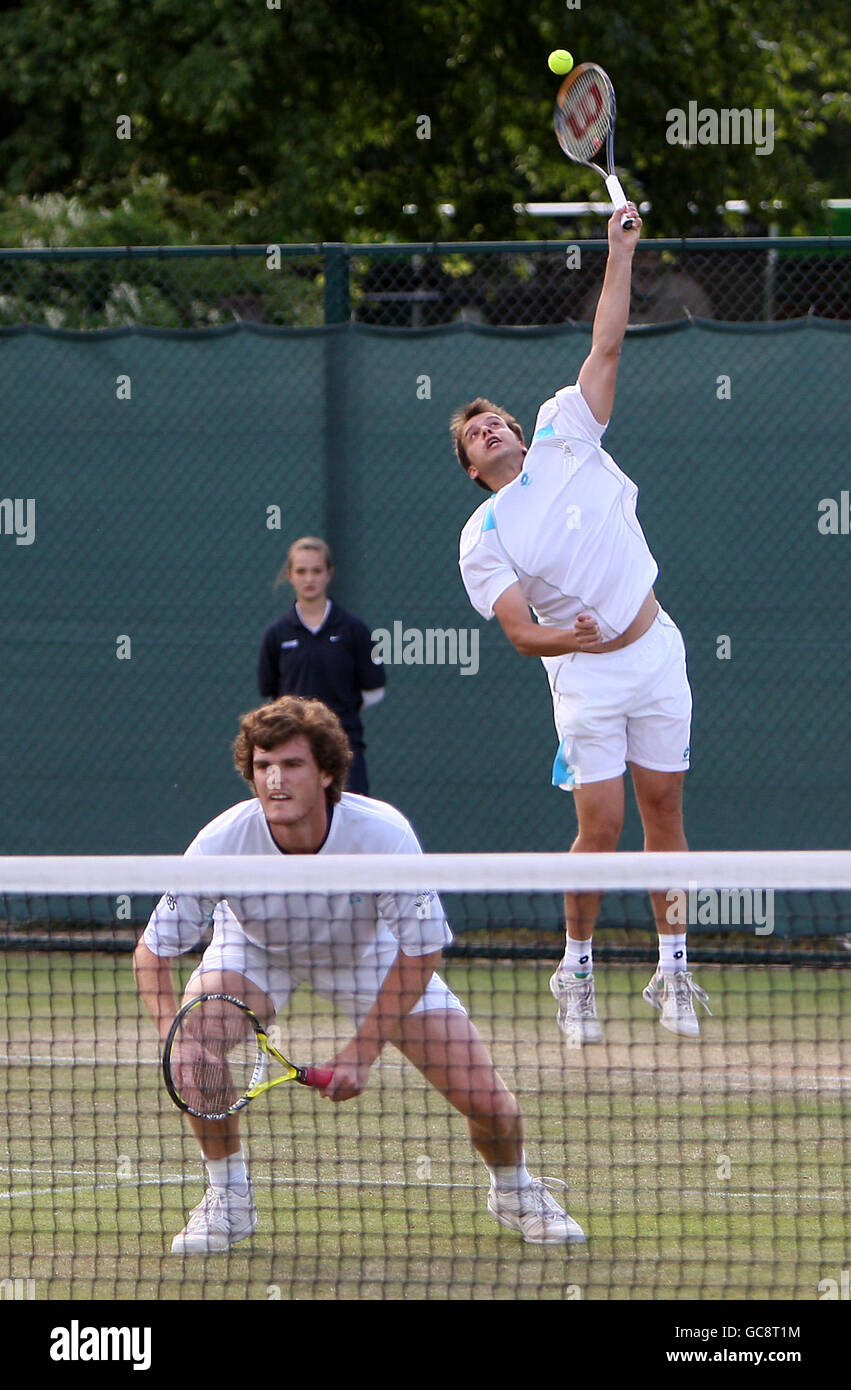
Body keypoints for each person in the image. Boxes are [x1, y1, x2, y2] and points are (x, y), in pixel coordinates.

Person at [134, 696, 585, 1253]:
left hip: (370, 953)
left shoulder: (381, 835)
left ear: (326, 772)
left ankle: (515, 1191)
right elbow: (151, 953)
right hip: (254, 952)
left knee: (487, 1101)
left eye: (292, 765)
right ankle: (228, 1197)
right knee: (196, 1045)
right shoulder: (219, 843)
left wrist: (359, 1053)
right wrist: (173, 1040)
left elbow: (421, 951)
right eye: (262, 766)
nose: (275, 780)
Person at [450, 203, 711, 1045]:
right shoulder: (484, 536)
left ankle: (672, 970)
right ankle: (577, 966)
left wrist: (617, 249)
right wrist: (574, 640)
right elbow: (522, 635)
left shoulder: (569, 428)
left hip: (656, 647)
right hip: (586, 674)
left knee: (663, 808)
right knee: (599, 828)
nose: (488, 427)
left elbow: (606, 343)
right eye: (472, 435)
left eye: (493, 420)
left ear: (519, 432)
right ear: (471, 469)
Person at [257, 536, 385, 794]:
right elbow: (270, 692)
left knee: (350, 823)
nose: (309, 579)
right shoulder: (277, 634)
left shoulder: (353, 630)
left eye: (316, 570)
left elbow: (374, 690)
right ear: (290, 575)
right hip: (291, 748)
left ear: (329, 574)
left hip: (345, 746)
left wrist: (338, 714)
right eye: (301, 571)